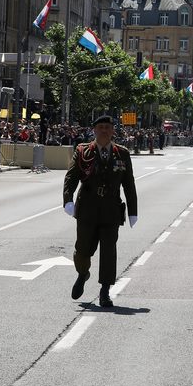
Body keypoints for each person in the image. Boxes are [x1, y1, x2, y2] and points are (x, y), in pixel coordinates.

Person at [63, 115, 138, 308]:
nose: (104, 130)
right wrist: (68, 200)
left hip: (110, 210)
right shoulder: (83, 151)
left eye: (107, 127)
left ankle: (105, 291)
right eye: (101, 127)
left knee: (108, 251)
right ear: (94, 130)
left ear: (113, 131)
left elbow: (129, 184)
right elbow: (71, 177)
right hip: (87, 209)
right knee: (82, 249)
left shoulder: (122, 154)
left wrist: (133, 211)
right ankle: (82, 273)